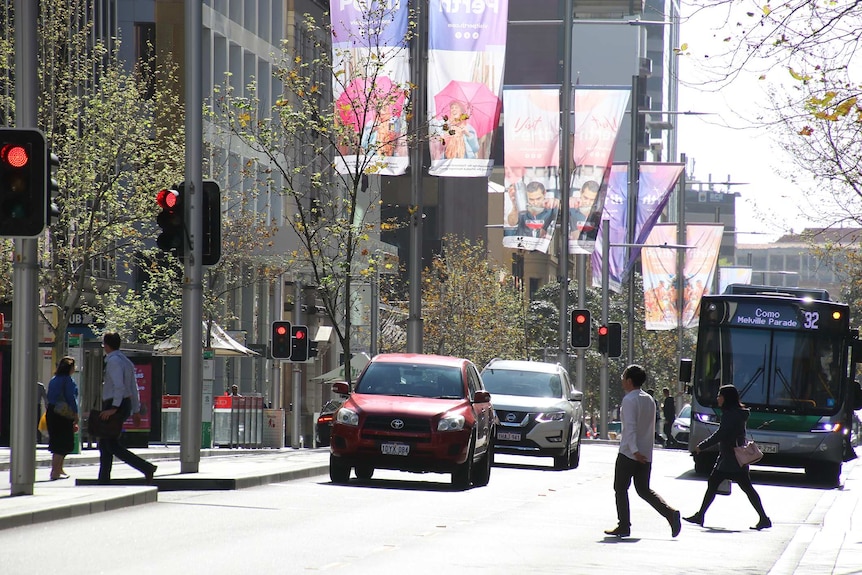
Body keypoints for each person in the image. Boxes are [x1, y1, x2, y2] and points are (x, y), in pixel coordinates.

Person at [605, 364, 681, 538]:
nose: (622, 381)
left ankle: (624, 525)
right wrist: (642, 452)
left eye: (624, 377)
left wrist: (634, 450)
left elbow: (630, 428)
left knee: (620, 488)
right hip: (646, 453)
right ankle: (670, 513)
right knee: (643, 489)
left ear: (629, 381)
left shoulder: (629, 400)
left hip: (629, 453)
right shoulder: (649, 400)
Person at [684, 384, 772, 530]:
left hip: (731, 459)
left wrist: (701, 446)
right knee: (742, 487)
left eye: (720, 395)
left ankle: (700, 516)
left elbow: (720, 434)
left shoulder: (730, 415)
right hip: (734, 458)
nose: (718, 398)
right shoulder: (737, 413)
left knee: (717, 484)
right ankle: (763, 518)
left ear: (726, 398)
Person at [97, 332, 157, 484]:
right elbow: (133, 387)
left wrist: (114, 408)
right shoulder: (126, 361)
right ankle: (103, 479)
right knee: (106, 443)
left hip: (114, 403)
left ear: (107, 345)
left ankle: (146, 467)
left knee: (110, 443)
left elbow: (119, 386)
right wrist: (135, 410)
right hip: (123, 403)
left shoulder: (113, 362)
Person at [46, 357, 79, 480]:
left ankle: (58, 469)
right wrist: (75, 414)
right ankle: (55, 470)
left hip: (52, 412)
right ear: (70, 368)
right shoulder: (68, 380)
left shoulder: (54, 380)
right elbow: (71, 398)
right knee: (63, 442)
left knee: (56, 441)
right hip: (63, 413)